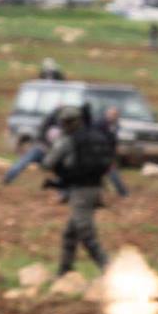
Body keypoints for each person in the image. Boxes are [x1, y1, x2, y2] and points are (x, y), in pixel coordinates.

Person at [41, 104, 110, 275]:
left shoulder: (68, 140)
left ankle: (110, 269)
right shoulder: (94, 136)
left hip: (81, 191)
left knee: (86, 234)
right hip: (96, 189)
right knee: (70, 233)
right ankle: (64, 271)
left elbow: (48, 163)